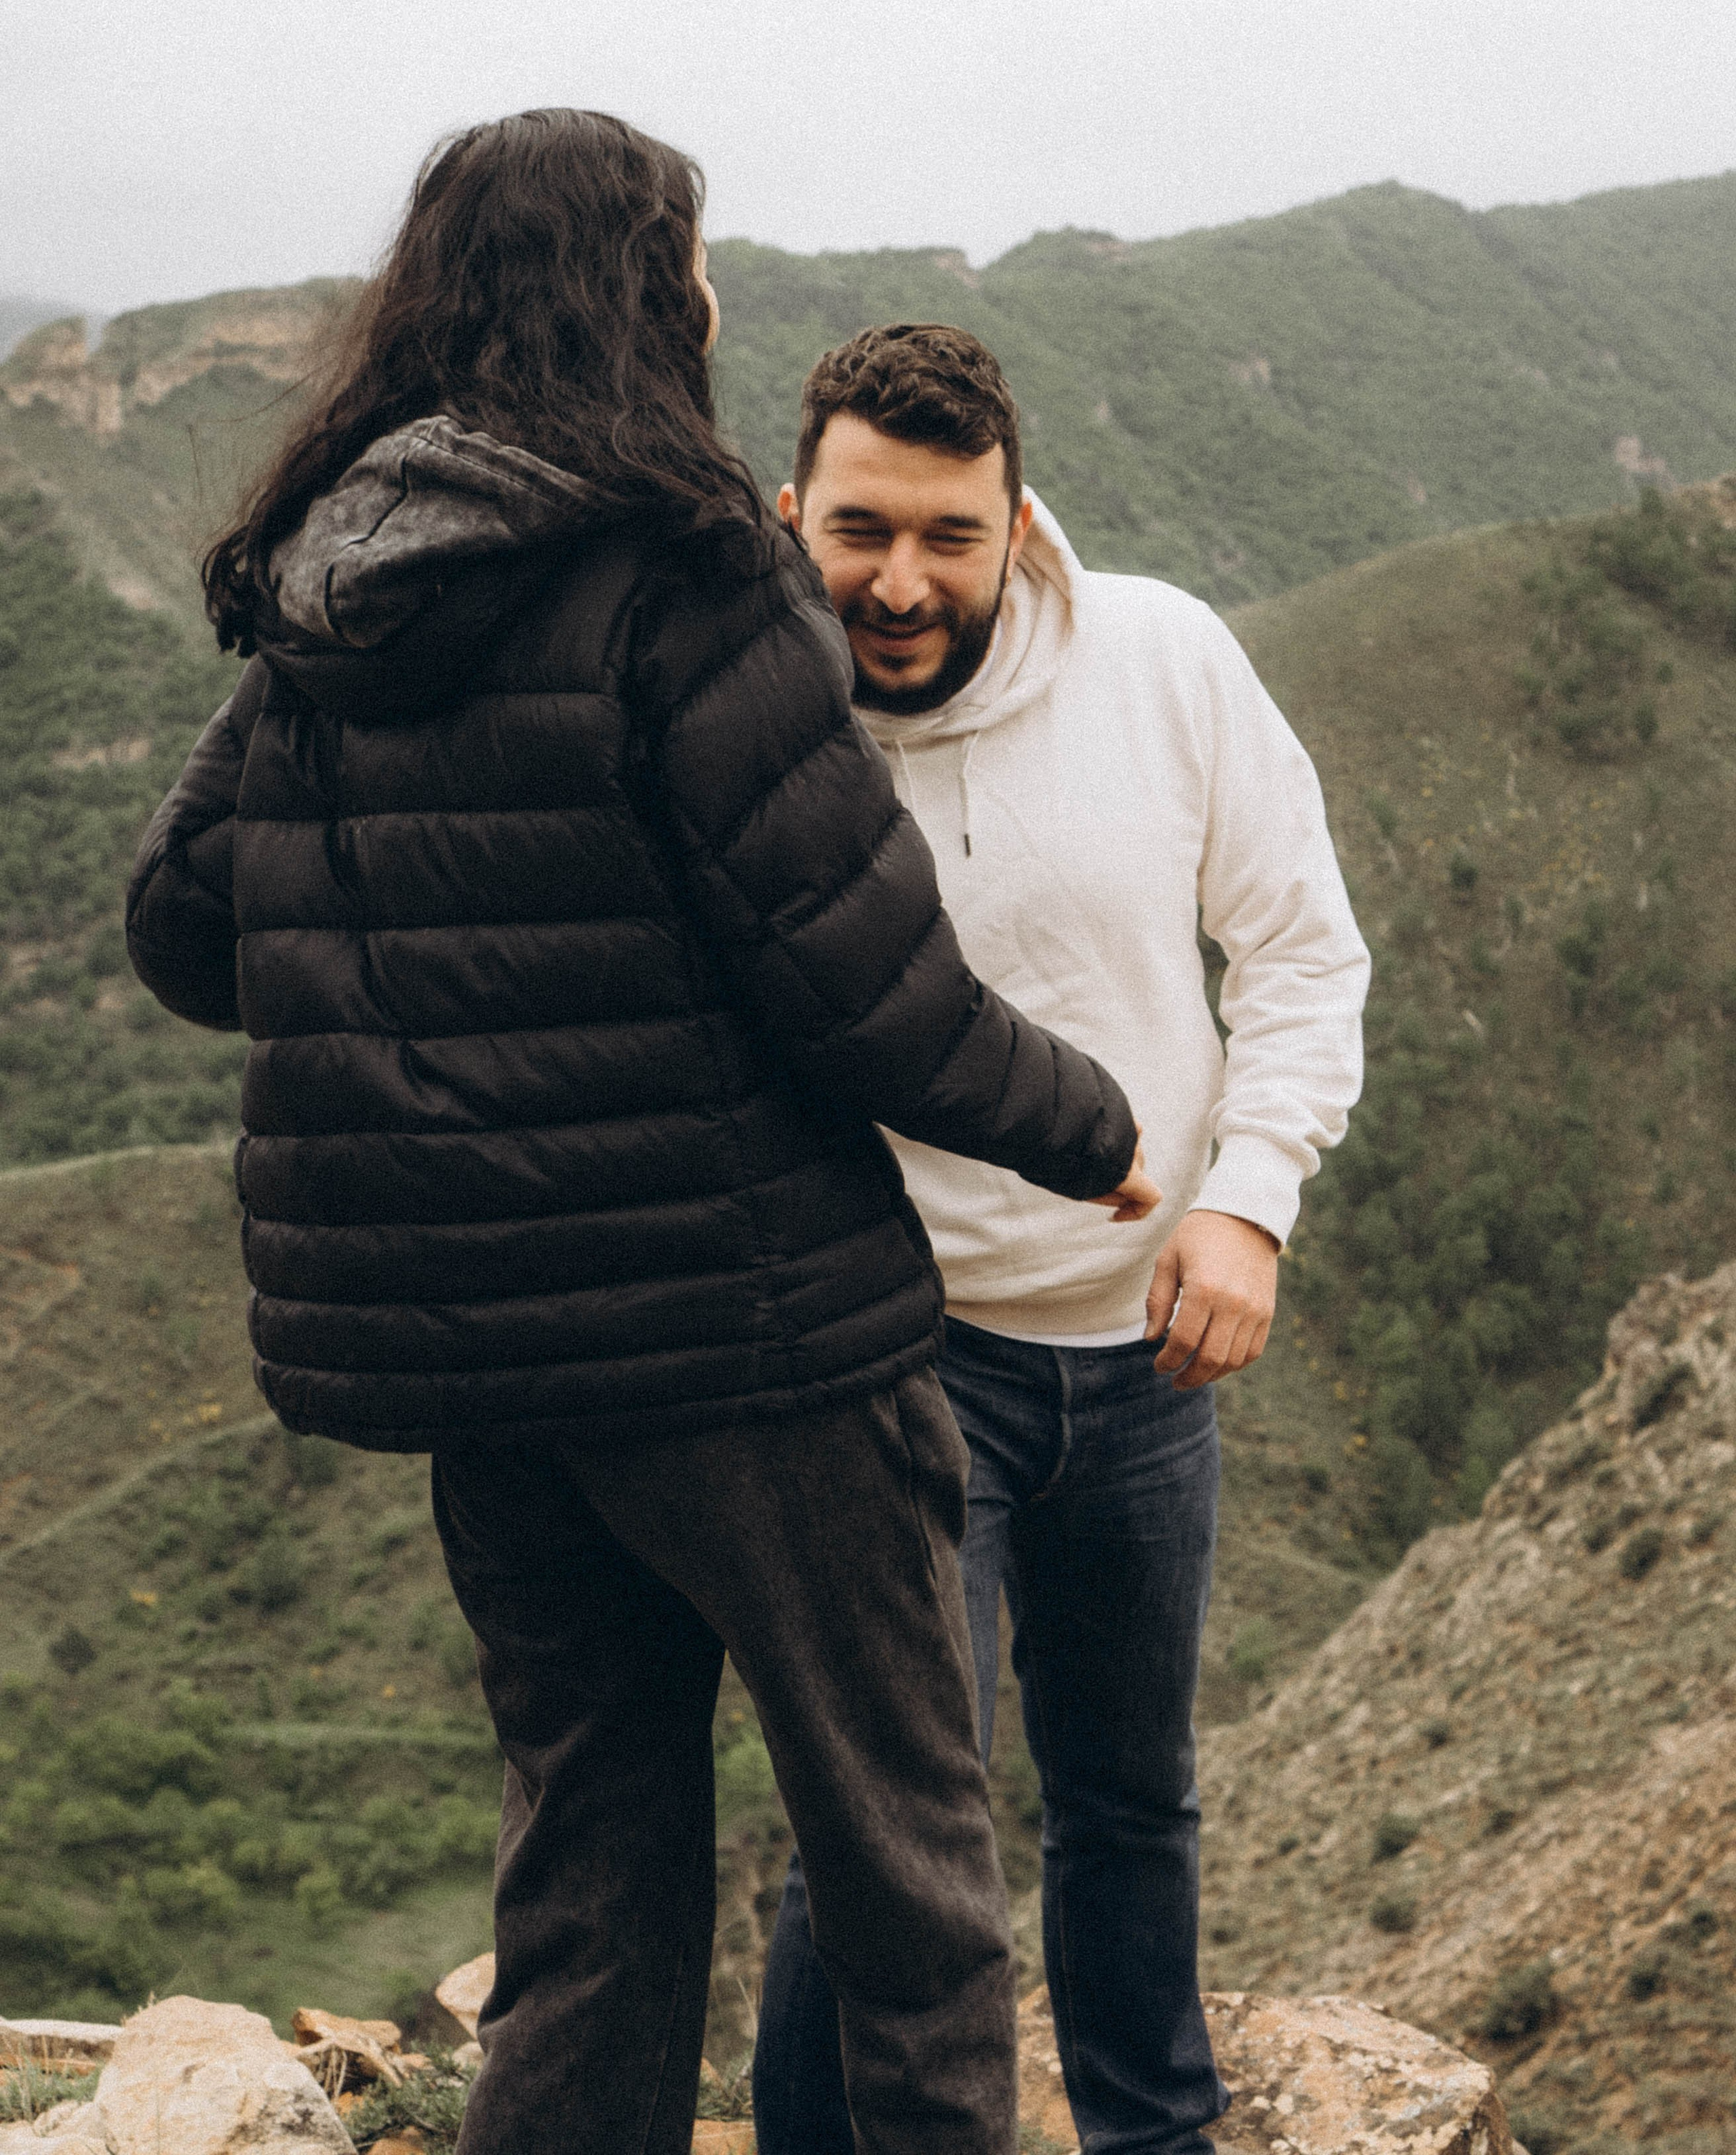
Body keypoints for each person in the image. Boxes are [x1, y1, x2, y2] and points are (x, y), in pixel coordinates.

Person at [124, 119, 1159, 2155]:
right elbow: (873, 994)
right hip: (750, 1341)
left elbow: (181, 931)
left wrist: (429, 973)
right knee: (908, 1879)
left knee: (587, 1887)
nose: (705, 299)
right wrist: (1101, 1129)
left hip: (483, 1360)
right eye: (687, 265)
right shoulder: (690, 571)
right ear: (642, 293)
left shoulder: (339, 589)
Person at [755, 323, 1370, 2155]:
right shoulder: (753, 725)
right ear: (795, 517)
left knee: (1131, 1801)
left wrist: (1247, 1205)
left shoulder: (1164, 658)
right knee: (883, 1829)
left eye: (950, 534)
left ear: (1022, 523)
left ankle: (1149, 2136)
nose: (902, 579)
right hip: (893, 1366)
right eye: (861, 530)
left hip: (1149, 1355)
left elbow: (1304, 950)